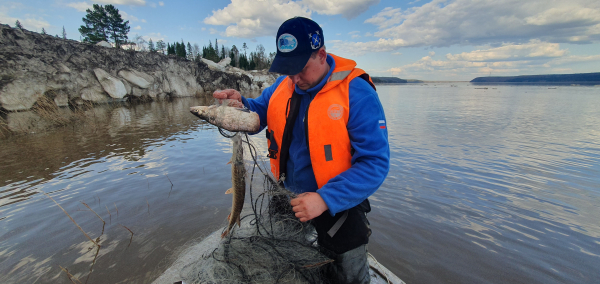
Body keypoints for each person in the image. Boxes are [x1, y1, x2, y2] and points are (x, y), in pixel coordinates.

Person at [214, 17, 389, 284]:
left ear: (321, 55)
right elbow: (258, 112)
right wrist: (240, 105)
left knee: (348, 276)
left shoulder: (358, 92)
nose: (294, 78)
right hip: (287, 198)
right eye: (288, 70)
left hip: (338, 204)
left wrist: (324, 199)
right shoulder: (284, 86)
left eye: (301, 68)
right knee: (287, 263)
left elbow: (375, 163)